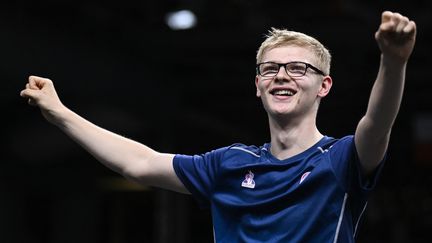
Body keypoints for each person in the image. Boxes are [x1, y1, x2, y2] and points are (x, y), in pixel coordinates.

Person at [20, 10, 416, 242]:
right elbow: (138, 163)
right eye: (271, 69)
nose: (282, 76)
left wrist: (393, 61)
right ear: (258, 85)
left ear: (323, 85)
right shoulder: (228, 164)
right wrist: (59, 112)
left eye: (298, 68)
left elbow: (377, 124)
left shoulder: (341, 159)